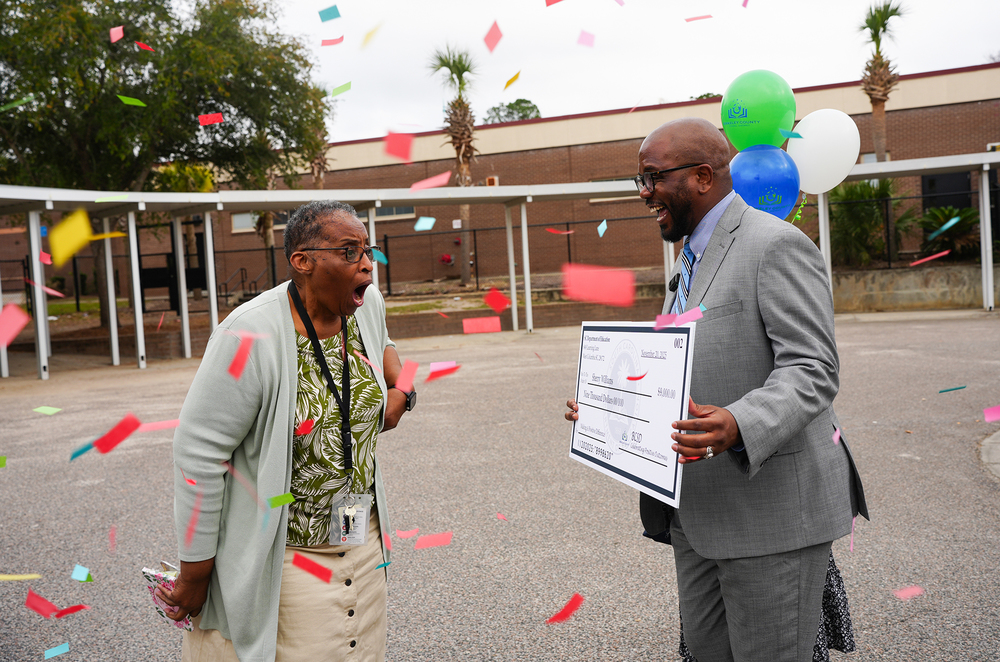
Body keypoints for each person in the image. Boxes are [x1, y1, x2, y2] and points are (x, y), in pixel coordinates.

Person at [566, 118, 868, 662]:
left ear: (703, 176)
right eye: (640, 179)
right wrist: (610, 406)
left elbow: (813, 367)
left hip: (770, 519)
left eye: (653, 177)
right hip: (697, 519)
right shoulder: (687, 258)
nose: (644, 193)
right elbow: (675, 367)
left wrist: (738, 422)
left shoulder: (775, 245)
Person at [157, 200, 416, 662]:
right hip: (288, 559)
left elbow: (391, 346)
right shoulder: (248, 335)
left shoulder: (366, 303)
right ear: (303, 261)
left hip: (362, 541)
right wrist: (195, 575)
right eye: (350, 251)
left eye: (368, 250)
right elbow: (198, 453)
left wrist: (403, 389)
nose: (367, 265)